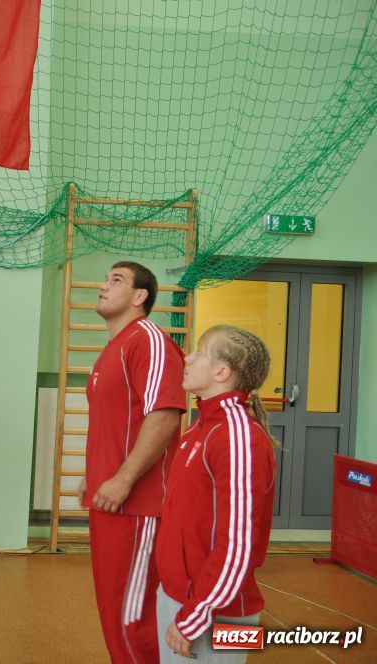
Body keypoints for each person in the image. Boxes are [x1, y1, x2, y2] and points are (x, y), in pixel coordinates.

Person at [79, 261, 187, 663]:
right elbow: (115, 425)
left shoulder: (149, 341)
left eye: (116, 280)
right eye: (105, 277)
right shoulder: (114, 347)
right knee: (112, 610)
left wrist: (123, 480)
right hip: (108, 502)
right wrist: (90, 478)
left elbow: (164, 414)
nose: (102, 285)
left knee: (132, 617)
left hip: (138, 507)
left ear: (140, 297)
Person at [155, 325, 276, 662]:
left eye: (199, 352)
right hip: (180, 598)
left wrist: (194, 617)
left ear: (222, 372)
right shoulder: (200, 426)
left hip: (214, 612)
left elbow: (237, 546)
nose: (187, 357)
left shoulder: (239, 437)